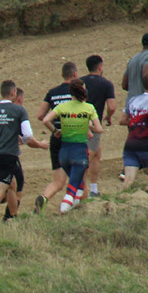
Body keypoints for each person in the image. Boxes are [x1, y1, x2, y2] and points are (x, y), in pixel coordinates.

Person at [0, 80, 46, 228]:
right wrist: (22, 139)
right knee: (1, 190)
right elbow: (27, 134)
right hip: (9, 155)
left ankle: (12, 218)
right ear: (13, 92)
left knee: (12, 186)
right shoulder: (19, 111)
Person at [41, 79, 103, 213]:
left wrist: (56, 131)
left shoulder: (63, 107)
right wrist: (88, 125)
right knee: (72, 188)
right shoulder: (88, 108)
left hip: (63, 154)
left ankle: (74, 209)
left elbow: (45, 119)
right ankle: (66, 206)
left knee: (79, 183)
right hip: (79, 153)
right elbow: (98, 129)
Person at [34, 62, 78, 211]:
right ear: (75, 74)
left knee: (58, 182)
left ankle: (44, 198)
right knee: (79, 176)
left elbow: (40, 115)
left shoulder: (52, 92)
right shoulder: (77, 91)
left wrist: (54, 129)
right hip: (73, 137)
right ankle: (78, 207)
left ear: (62, 75)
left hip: (57, 138)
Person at [81, 55, 117, 196]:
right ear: (100, 67)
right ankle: (78, 189)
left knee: (96, 154)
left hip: (79, 121)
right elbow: (112, 106)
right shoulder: (106, 84)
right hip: (93, 125)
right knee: (88, 157)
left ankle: (94, 189)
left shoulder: (80, 82)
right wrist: (108, 116)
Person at [119, 71, 148, 186]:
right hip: (146, 145)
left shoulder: (133, 100)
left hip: (130, 145)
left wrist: (136, 121)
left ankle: (119, 202)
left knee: (128, 181)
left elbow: (122, 120)